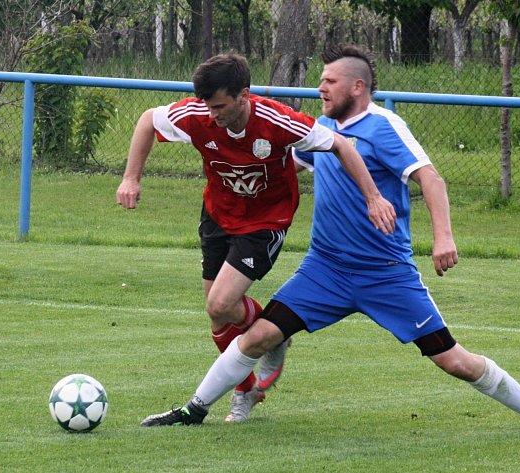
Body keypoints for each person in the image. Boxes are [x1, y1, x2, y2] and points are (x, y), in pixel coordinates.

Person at [139, 44, 520, 434]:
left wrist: (443, 237)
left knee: (453, 360)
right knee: (257, 337)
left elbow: (430, 178)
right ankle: (193, 411)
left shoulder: (383, 126)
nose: (321, 88)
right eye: (320, 80)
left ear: (357, 87)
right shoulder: (322, 132)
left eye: (330, 81)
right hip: (325, 271)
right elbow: (289, 161)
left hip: (385, 275)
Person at [117, 53, 396, 422]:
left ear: (244, 95)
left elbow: (341, 145)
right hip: (218, 214)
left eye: (219, 106)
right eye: (205, 105)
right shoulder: (197, 114)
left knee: (220, 303)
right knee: (219, 316)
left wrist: (373, 197)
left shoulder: (277, 121)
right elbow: (147, 120)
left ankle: (268, 343)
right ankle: (249, 383)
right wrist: (131, 177)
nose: (211, 114)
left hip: (266, 220)